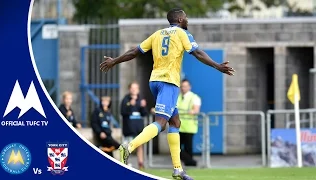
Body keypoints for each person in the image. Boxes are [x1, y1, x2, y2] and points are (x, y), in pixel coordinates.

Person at [100, 8, 235, 180]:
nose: (187, 20)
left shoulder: (157, 34)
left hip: (154, 82)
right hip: (168, 82)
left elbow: (135, 51)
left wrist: (114, 61)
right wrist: (217, 66)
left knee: (175, 121)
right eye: (186, 17)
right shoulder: (182, 33)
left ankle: (178, 169)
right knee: (161, 123)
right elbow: (197, 53)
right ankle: (128, 147)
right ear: (179, 19)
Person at [121, 81, 148, 170]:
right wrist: (130, 106)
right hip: (129, 128)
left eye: (136, 88)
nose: (134, 90)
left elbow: (144, 114)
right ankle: (125, 163)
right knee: (128, 146)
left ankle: (141, 164)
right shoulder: (125, 100)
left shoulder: (141, 99)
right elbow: (123, 112)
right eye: (132, 88)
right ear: (129, 89)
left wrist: (144, 107)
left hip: (138, 128)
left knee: (140, 146)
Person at [177, 79, 201, 166]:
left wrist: (192, 111)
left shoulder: (194, 97)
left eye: (185, 86)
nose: (183, 88)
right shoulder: (177, 97)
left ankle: (189, 164)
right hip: (178, 126)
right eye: (182, 86)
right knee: (176, 147)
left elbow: (196, 110)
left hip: (189, 126)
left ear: (189, 87)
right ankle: (191, 162)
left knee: (188, 148)